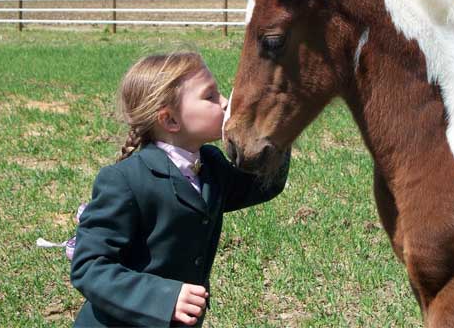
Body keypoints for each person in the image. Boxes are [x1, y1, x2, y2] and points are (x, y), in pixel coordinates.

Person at [70, 52, 289, 327]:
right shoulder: (125, 180)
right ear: (170, 120)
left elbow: (263, 185)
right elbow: (88, 267)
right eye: (210, 96)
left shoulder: (212, 164)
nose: (223, 103)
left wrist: (276, 131)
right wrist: (165, 298)